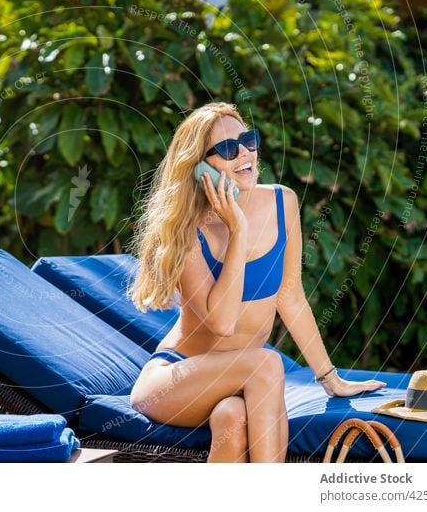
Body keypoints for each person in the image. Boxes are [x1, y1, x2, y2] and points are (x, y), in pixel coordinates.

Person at [127, 102, 386, 463]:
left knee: (232, 417)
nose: (247, 153)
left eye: (248, 141)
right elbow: (222, 322)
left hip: (234, 387)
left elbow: (290, 296)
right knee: (266, 363)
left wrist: (330, 378)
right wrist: (238, 230)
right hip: (175, 381)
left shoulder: (282, 202)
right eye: (229, 149)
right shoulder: (186, 234)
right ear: (200, 166)